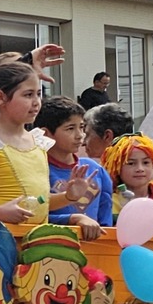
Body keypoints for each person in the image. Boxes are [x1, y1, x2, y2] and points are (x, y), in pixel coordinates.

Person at [0, 59, 97, 226]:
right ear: (1, 97)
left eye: (38, 94)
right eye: (28, 95)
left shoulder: (39, 141)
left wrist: (69, 196)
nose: (36, 102)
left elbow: (39, 202)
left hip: (36, 239)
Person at [38, 95, 112, 237]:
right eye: (70, 128)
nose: (80, 135)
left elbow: (105, 220)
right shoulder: (38, 170)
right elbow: (35, 216)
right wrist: (74, 219)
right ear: (46, 134)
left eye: (82, 127)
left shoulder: (96, 170)